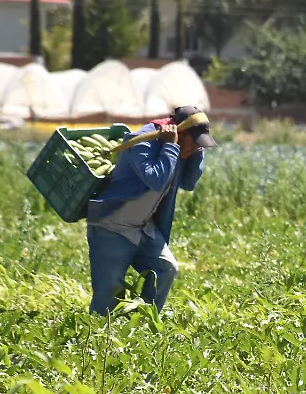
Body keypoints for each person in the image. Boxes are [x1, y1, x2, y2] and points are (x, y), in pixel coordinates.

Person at [86, 105, 217, 315]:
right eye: (194, 143)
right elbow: (156, 180)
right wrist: (170, 146)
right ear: (181, 134)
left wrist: (195, 152)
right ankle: (98, 330)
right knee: (108, 293)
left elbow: (189, 182)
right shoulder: (142, 142)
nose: (195, 149)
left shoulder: (180, 148)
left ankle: (142, 322)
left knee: (166, 269)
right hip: (112, 226)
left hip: (143, 228)